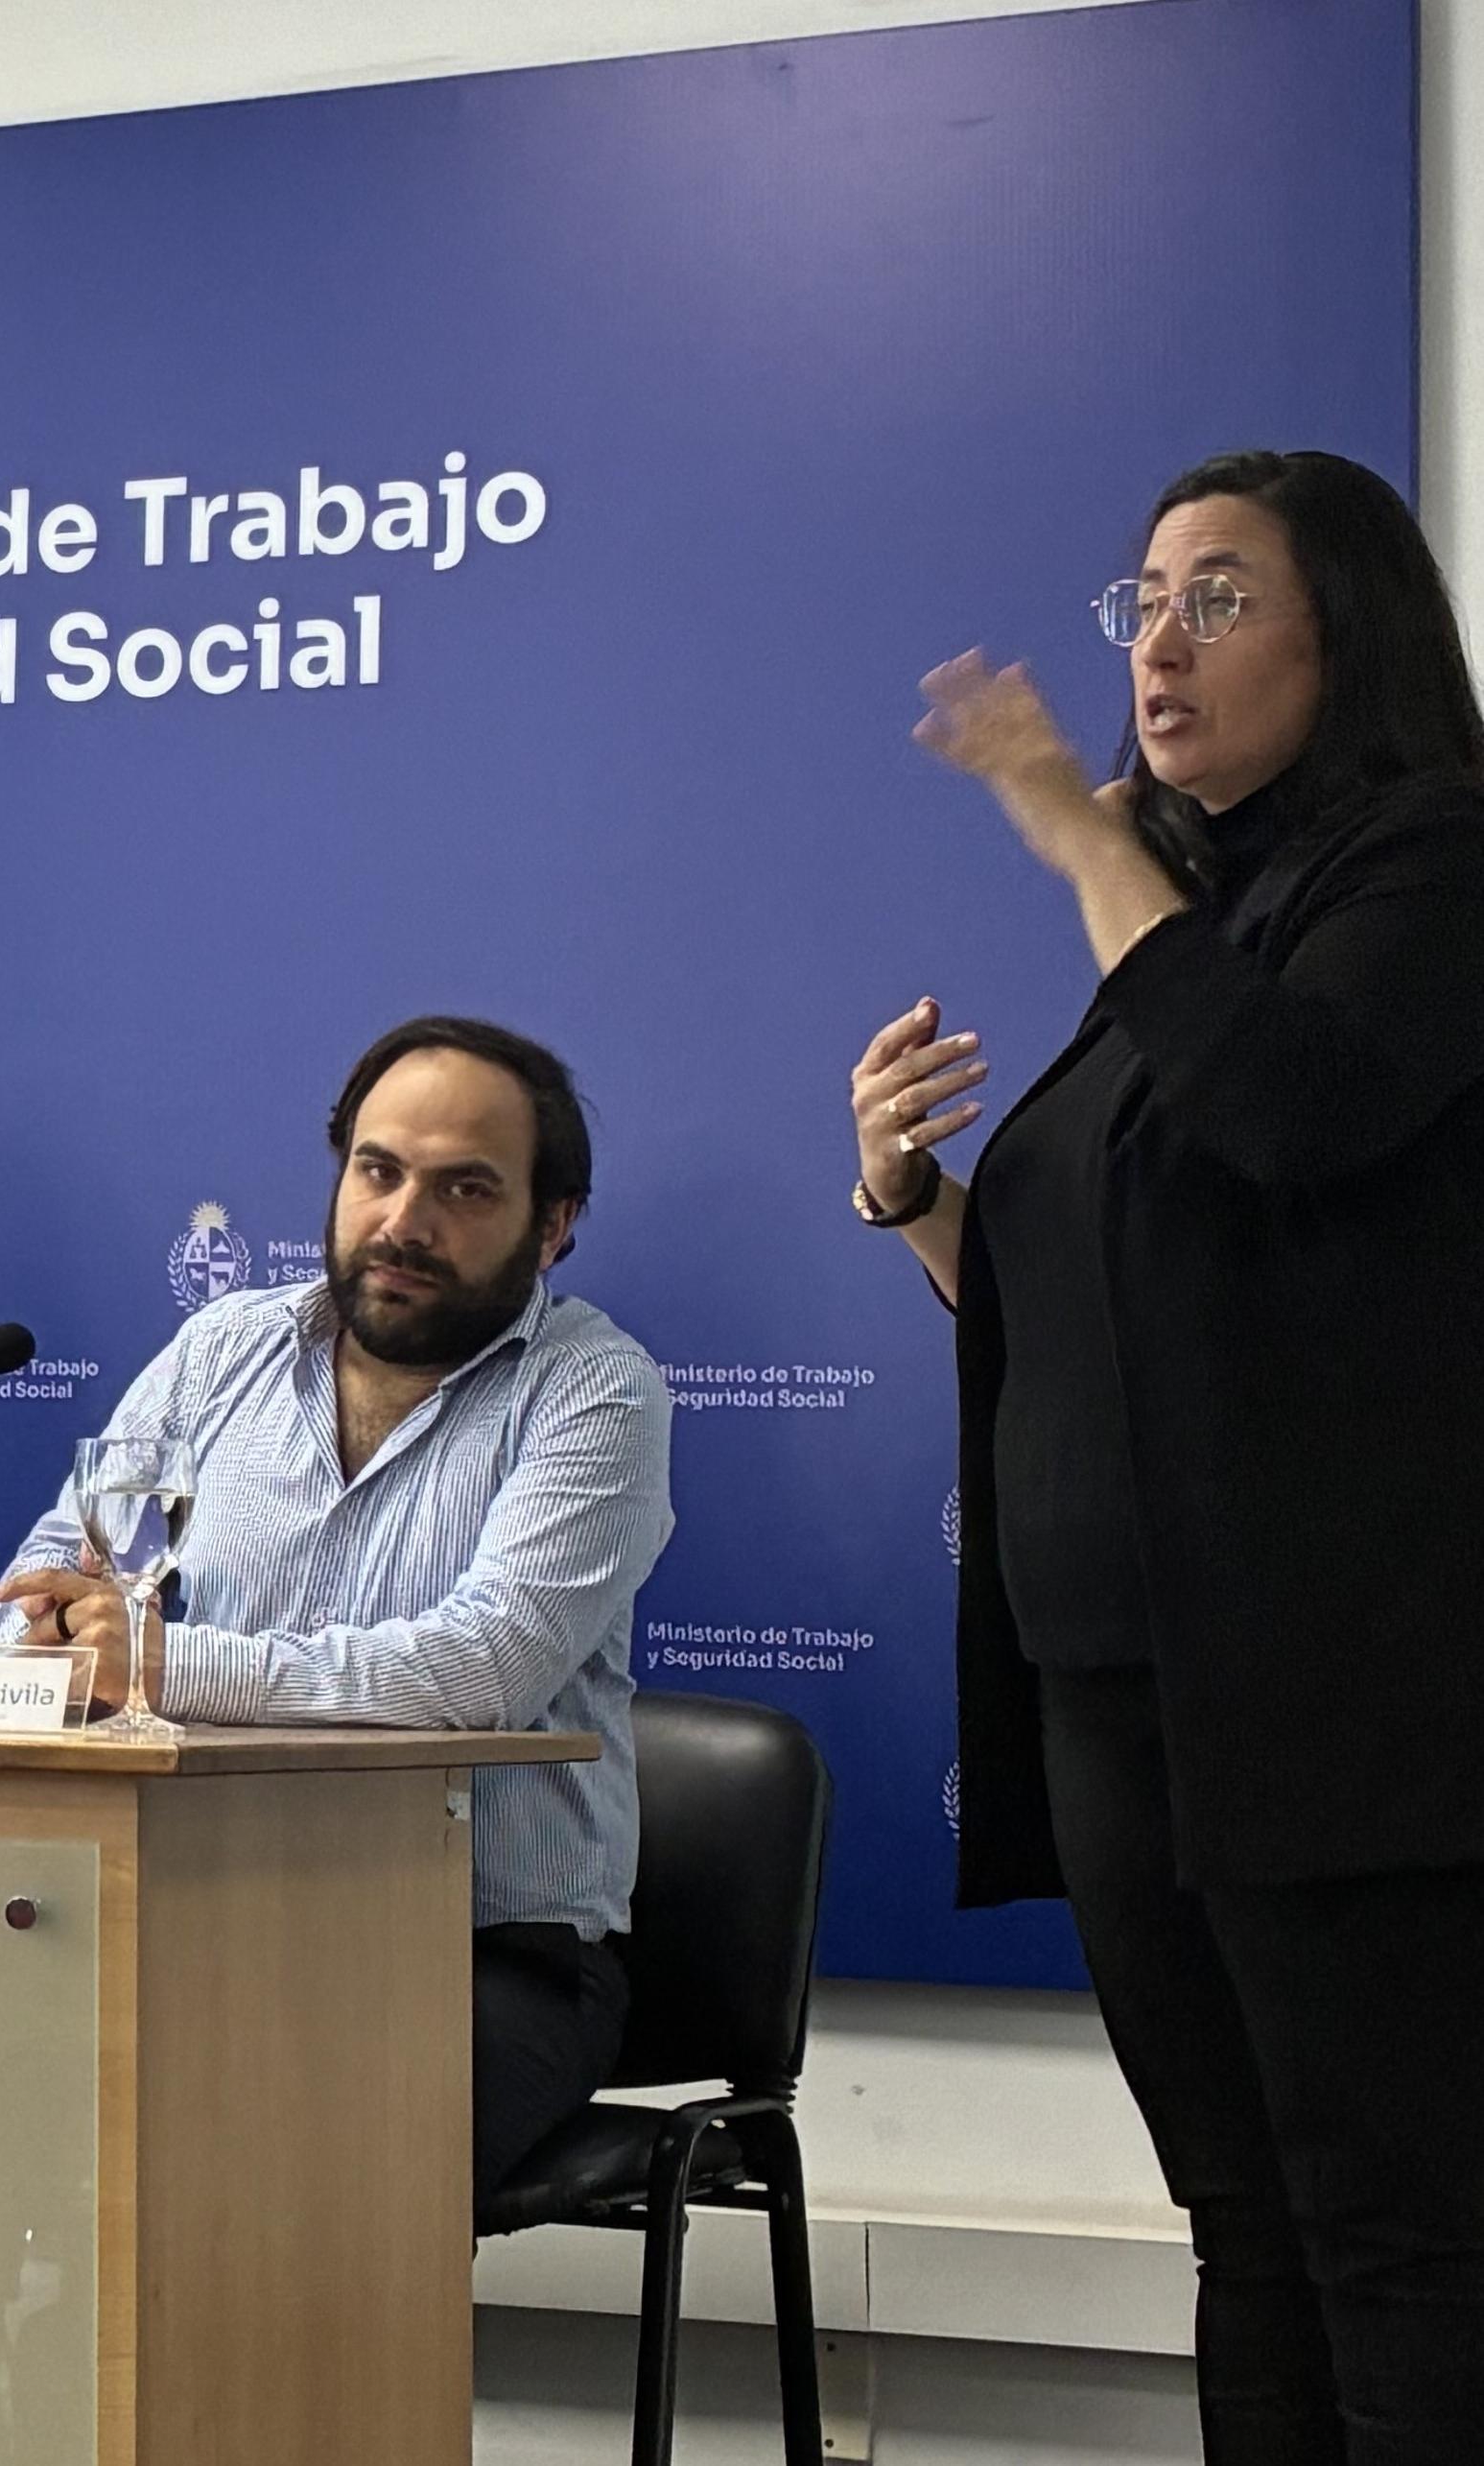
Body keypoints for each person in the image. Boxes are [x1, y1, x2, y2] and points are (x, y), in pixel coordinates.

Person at [849, 447, 1484, 2461]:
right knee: (1243, 2225)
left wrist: (1068, 830)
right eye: (1142, 602)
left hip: (1332, 1684)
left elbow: (1295, 1111)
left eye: (1219, 593)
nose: (1157, 644)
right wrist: (922, 1203)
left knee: (1389, 2229)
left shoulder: (1431, 869)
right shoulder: (1191, 929)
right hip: (1122, 1690)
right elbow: (1116, 1294)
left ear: (1347, 629)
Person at [0, 1018, 669, 2210]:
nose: (406, 1220)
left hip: (480, 1953)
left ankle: (319, 2397)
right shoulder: (224, 1348)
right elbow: (51, 1574)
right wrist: (53, 1644)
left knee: (296, 2151)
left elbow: (480, 1669)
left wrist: (152, 1660)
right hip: (203, 1914)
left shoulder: (594, 1389)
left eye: (465, 1188)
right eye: (379, 1169)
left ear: (552, 1224)